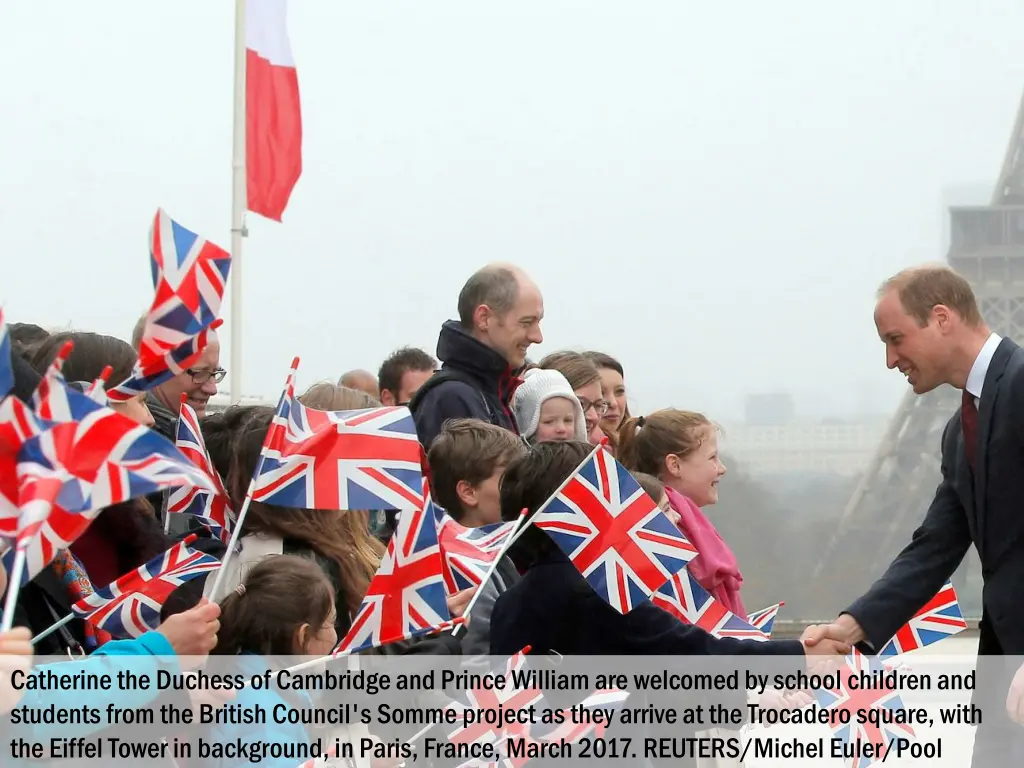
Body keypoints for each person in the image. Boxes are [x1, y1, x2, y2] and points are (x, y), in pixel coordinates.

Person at [803, 265, 1024, 765]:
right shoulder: (958, 430)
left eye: (896, 338)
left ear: (942, 318)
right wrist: (853, 625)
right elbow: (934, 546)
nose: (889, 360)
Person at [410, 263, 544, 449]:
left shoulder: (491, 393)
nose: (538, 337)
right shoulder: (454, 398)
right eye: (526, 322)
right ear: (484, 318)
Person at [426, 418, 526, 659]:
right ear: (469, 492)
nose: (521, 487)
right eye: (509, 480)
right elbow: (478, 656)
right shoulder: (461, 565)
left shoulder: (500, 549)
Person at [511, 367, 588, 444]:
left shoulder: (583, 455)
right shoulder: (515, 455)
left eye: (568, 420)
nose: (561, 429)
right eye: (549, 422)